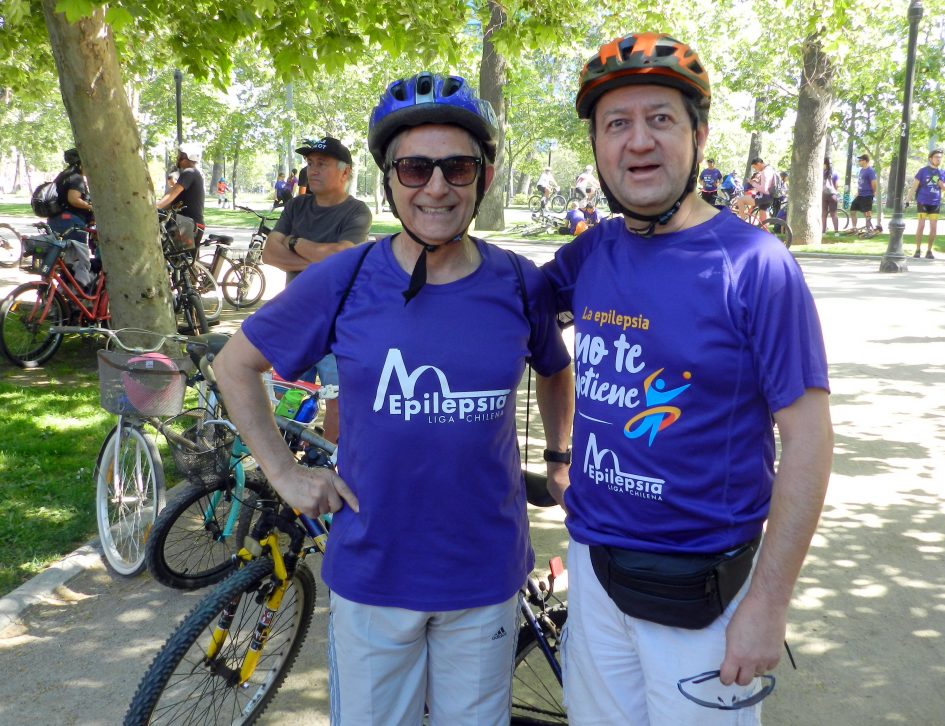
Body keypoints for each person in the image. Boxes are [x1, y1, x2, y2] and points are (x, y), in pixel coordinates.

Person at [213, 71, 573, 726]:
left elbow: (555, 368)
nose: (436, 187)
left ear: (484, 177)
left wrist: (558, 456)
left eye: (456, 167)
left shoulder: (520, 284)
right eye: (414, 168)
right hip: (375, 573)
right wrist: (285, 474)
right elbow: (234, 365)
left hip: (485, 574)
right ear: (389, 180)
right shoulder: (345, 278)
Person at [541, 32, 833, 725]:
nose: (638, 141)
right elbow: (499, 310)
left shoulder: (755, 265)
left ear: (697, 136)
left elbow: (809, 440)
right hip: (592, 569)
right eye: (617, 123)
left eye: (660, 119)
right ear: (596, 147)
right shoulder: (591, 252)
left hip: (703, 590)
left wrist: (767, 604)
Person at [260, 136, 373, 443]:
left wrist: (294, 242)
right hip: (296, 321)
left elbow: (342, 254)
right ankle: (288, 456)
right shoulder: (296, 206)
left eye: (322, 163)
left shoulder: (356, 211)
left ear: (345, 172)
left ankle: (329, 462)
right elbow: (269, 254)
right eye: (310, 163)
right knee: (290, 396)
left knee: (338, 400)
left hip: (337, 326)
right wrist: (323, 262)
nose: (313, 170)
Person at [48, 147, 95, 289]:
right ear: (80, 163)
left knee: (65, 260)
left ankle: (63, 291)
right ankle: (77, 290)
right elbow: (74, 199)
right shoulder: (76, 178)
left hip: (57, 219)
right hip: (70, 221)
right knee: (77, 260)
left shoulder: (63, 175)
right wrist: (91, 207)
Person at [156, 142, 205, 248]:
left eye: (179, 154)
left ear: (185, 156)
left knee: (176, 255)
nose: (177, 157)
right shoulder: (193, 173)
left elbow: (172, 194)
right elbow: (170, 203)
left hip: (189, 225)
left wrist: (155, 207)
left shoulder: (189, 172)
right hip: (192, 225)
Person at [908, 148, 945, 259]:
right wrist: (908, 199)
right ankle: (917, 250)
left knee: (933, 228)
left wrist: (939, 181)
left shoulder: (942, 172)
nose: (938, 159)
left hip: (935, 203)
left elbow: (943, 187)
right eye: (936, 157)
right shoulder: (923, 171)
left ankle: (929, 251)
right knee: (921, 226)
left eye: (940, 157)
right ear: (930, 159)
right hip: (923, 201)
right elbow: (914, 186)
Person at [736, 157, 775, 222]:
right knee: (763, 219)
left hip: (764, 196)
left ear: (758, 164)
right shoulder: (770, 169)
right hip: (770, 197)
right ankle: (764, 228)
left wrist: (753, 183)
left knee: (740, 200)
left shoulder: (764, 172)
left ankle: (742, 223)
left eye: (755, 167)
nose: (756, 170)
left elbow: (764, 189)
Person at [850, 153, 877, 230]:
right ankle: (854, 228)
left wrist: (874, 192)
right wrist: (858, 192)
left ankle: (868, 228)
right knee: (852, 210)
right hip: (860, 195)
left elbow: (874, 182)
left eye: (860, 160)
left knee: (867, 212)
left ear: (865, 161)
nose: (859, 162)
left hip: (867, 194)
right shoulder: (861, 170)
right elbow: (860, 182)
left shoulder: (870, 171)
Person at [822, 159, 840, 234]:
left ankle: (823, 231)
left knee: (824, 214)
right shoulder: (835, 173)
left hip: (824, 195)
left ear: (825, 164)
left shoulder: (822, 173)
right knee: (834, 214)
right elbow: (837, 185)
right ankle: (836, 232)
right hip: (832, 195)